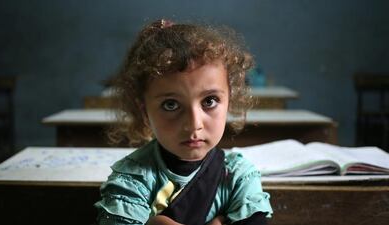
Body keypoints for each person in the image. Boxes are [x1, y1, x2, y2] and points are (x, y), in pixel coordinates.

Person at [94, 19, 273, 225]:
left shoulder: (237, 176)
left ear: (229, 100)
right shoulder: (133, 179)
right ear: (144, 110)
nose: (194, 124)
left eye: (209, 101)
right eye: (171, 105)